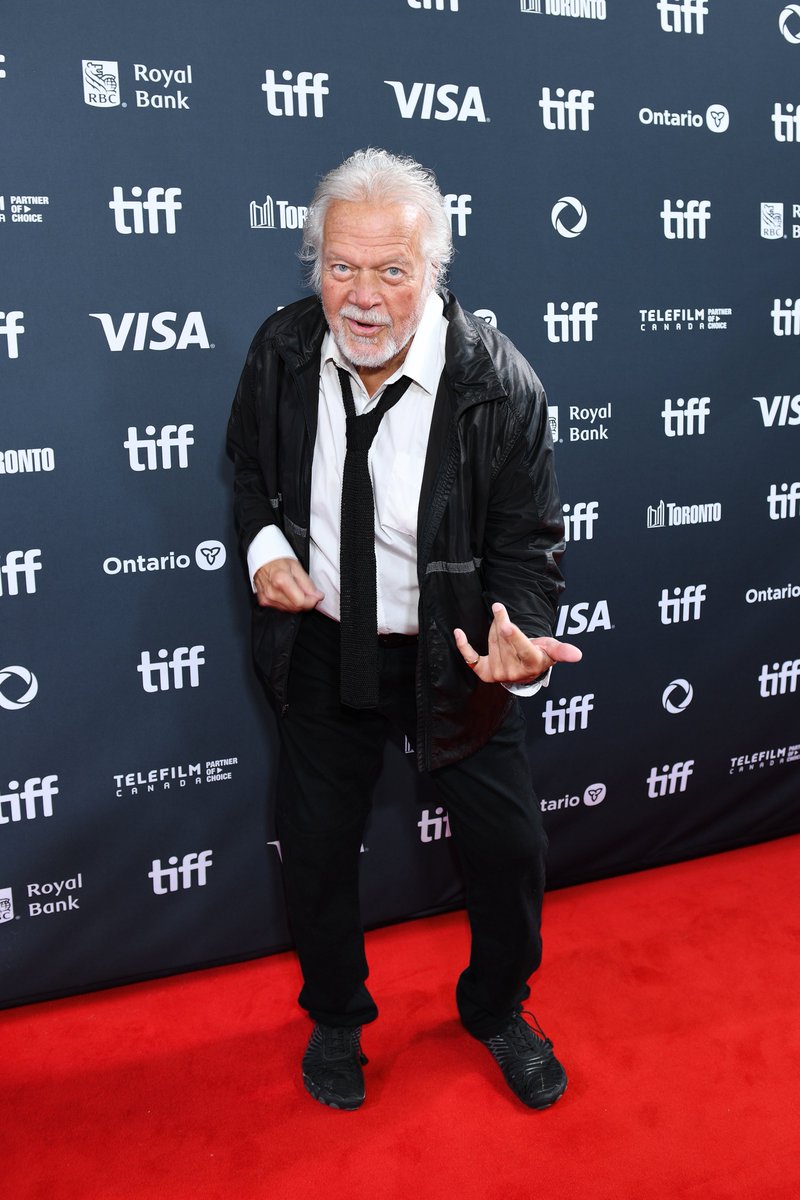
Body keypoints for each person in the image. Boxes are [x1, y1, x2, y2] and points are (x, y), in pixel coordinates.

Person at [227, 148, 582, 1112]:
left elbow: (527, 543)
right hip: (325, 645)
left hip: (457, 653)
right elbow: (247, 470)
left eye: (394, 269)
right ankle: (337, 1016)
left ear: (435, 272)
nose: (366, 296)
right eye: (343, 266)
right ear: (315, 268)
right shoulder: (282, 349)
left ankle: (499, 1008)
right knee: (313, 844)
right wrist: (264, 545)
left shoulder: (501, 384)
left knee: (508, 852)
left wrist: (520, 643)